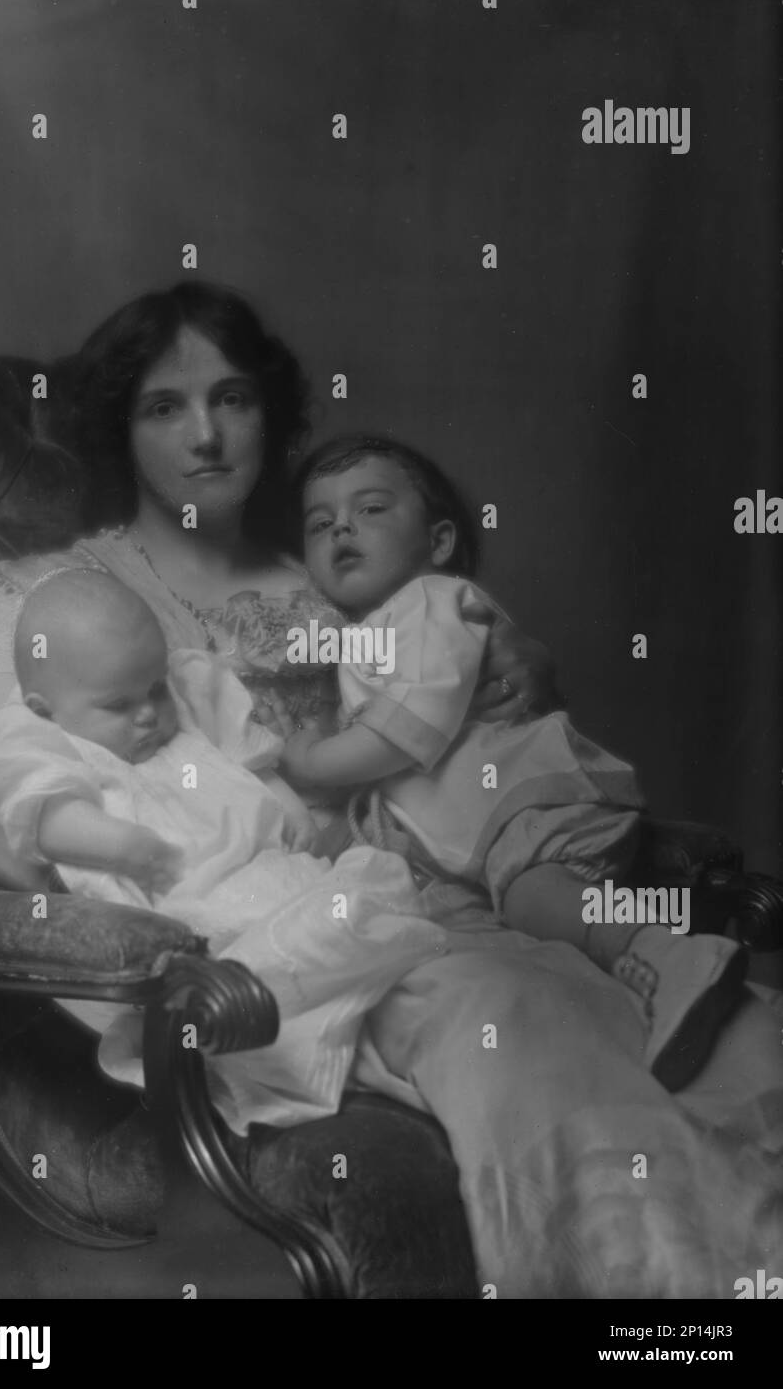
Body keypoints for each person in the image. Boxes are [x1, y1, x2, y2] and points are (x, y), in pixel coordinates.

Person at [0, 280, 783, 1297]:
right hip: (257, 938)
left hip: (425, 886)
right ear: (122, 427)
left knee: (729, 1035)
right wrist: (144, 881)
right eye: (164, 406)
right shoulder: (62, 594)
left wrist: (516, 662)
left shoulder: (331, 573)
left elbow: (454, 705)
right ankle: (648, 1294)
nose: (204, 433)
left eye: (232, 398)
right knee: (513, 1017)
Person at [280, 433, 747, 1092]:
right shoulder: (362, 639)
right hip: (489, 834)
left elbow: (405, 732)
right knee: (514, 946)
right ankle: (640, 1017)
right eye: (320, 524)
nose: (342, 529)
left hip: (529, 803)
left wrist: (313, 761)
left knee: (539, 900)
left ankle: (669, 955)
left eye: (372, 510)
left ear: (439, 541)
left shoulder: (434, 603)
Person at [0, 566, 446, 1132]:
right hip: (200, 922)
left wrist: (284, 804)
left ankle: (366, 1004)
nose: (148, 714)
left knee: (366, 888)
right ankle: (327, 1029)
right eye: (119, 705)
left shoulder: (189, 710)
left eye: (155, 689)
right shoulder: (52, 750)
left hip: (281, 879)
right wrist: (119, 845)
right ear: (47, 710)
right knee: (273, 970)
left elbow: (250, 766)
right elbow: (49, 823)